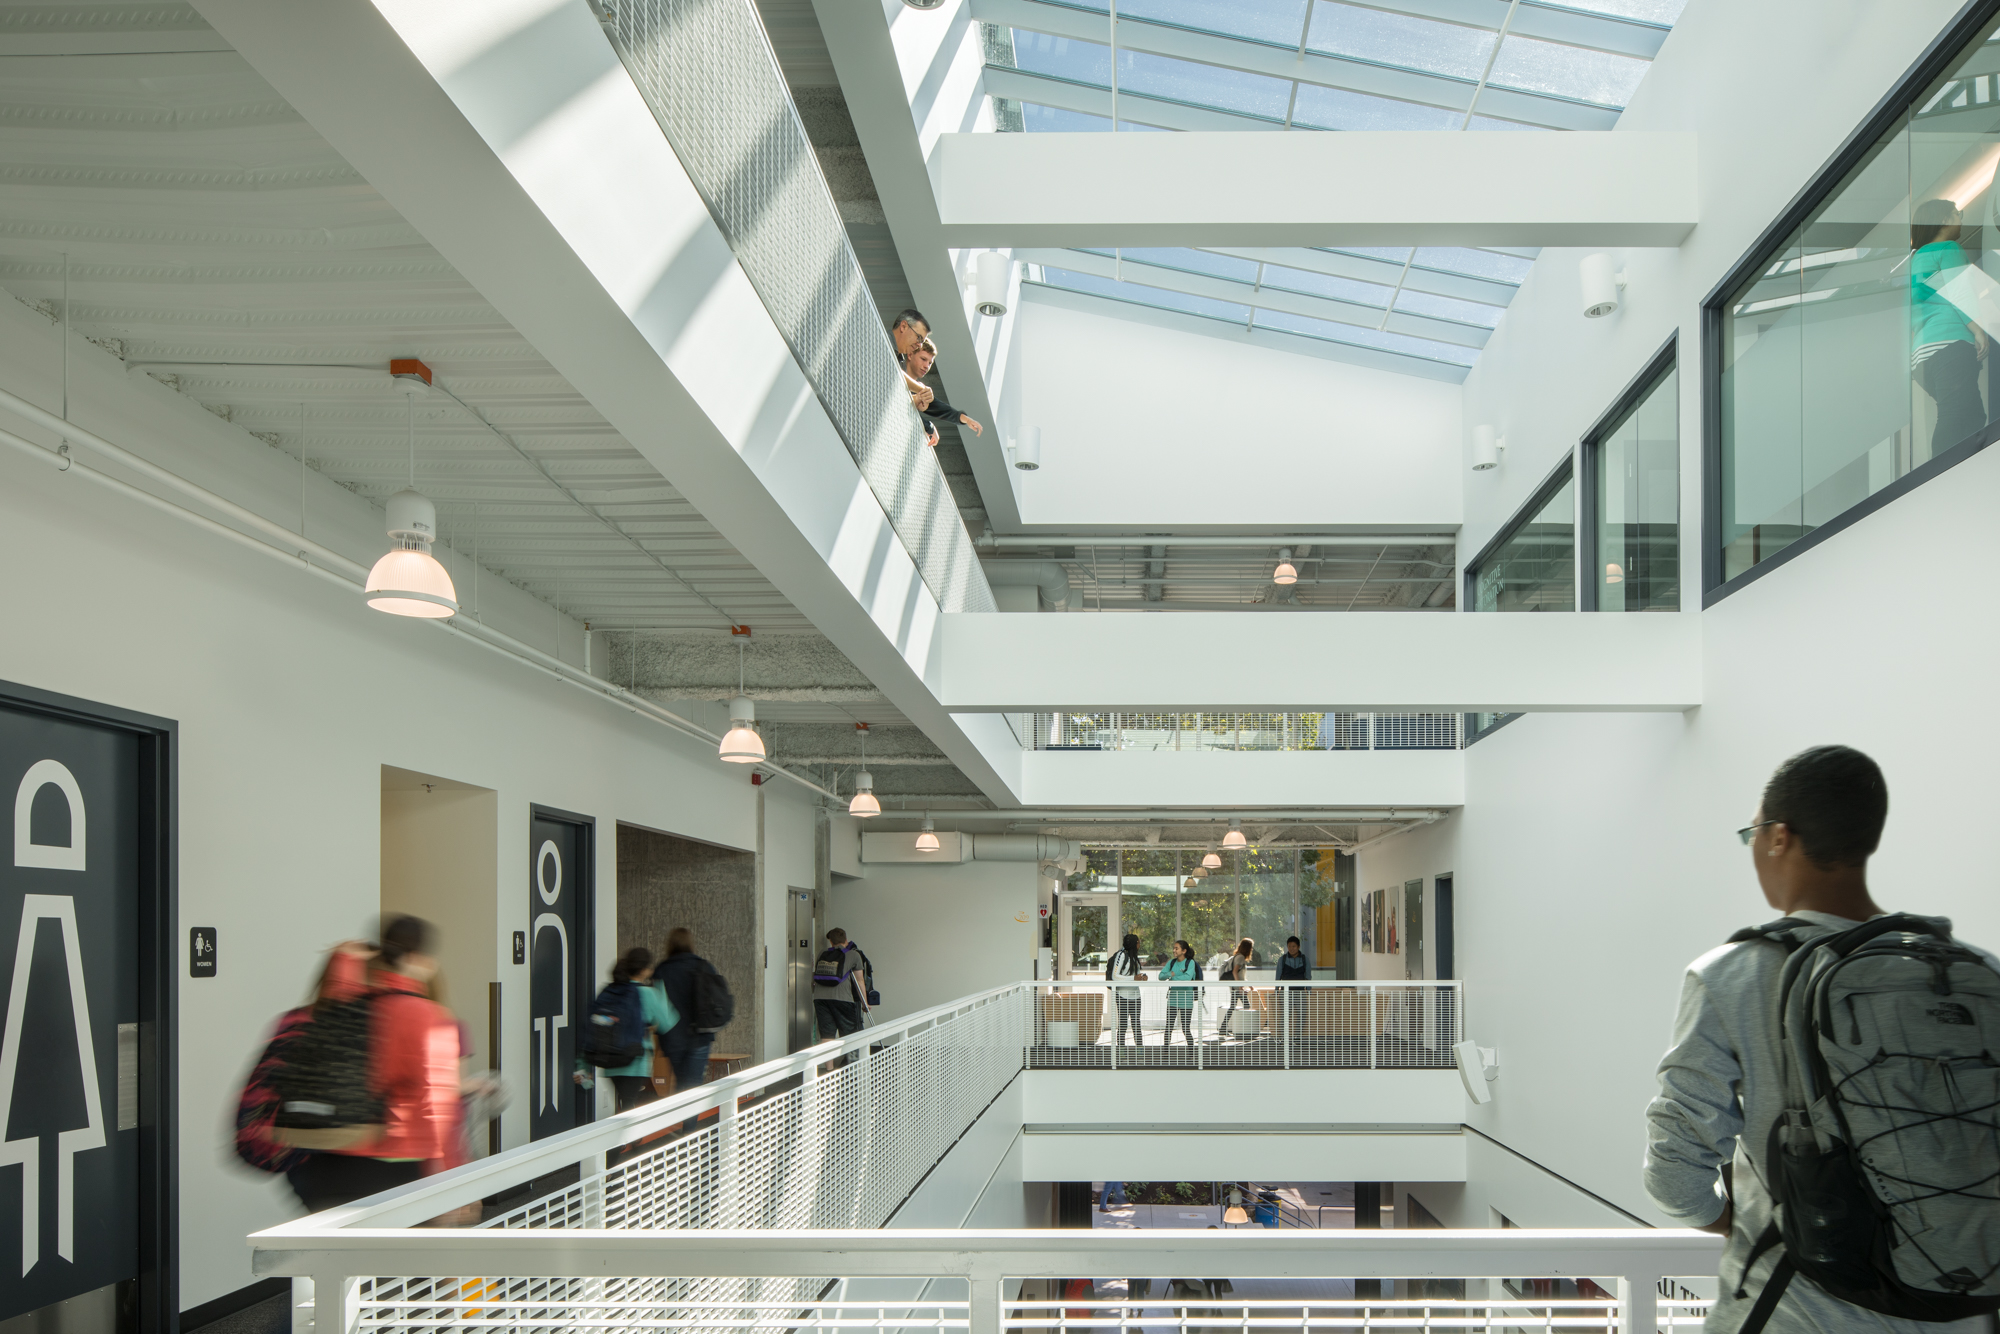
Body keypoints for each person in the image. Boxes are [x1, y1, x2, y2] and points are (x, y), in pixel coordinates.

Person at [1644, 745, 1999, 1334]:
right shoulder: (1972, 974)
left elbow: (1675, 1174)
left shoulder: (1735, 973)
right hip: (1958, 1312)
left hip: (1800, 1312)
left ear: (1778, 836)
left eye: (1752, 833)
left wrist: (1738, 1221)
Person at [287, 916, 463, 1213]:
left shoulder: (336, 1004)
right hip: (391, 1166)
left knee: (332, 1252)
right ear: (420, 959)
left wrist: (344, 958)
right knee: (395, 1256)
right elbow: (438, 1103)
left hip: (314, 1159)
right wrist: (451, 1179)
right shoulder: (424, 1015)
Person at [1910, 199, 1989, 458]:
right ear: (1944, 221)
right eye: (1958, 213)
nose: (1961, 218)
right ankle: (1941, 473)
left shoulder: (1915, 261)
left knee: (1972, 414)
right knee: (1956, 414)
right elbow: (1960, 290)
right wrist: (1978, 329)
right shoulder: (1948, 248)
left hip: (1921, 356)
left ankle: (1963, 468)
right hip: (1949, 343)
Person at [576, 946, 679, 1113]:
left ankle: (626, 1135)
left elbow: (591, 1028)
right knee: (628, 1108)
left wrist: (582, 1065)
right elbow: (667, 1022)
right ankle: (627, 1138)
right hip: (635, 1063)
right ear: (645, 970)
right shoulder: (647, 993)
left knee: (624, 1105)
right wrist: (660, 987)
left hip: (609, 1064)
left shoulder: (609, 992)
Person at [652, 927, 723, 1107]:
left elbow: (657, 1007)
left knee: (681, 1080)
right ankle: (689, 1130)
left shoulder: (661, 970)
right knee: (692, 1085)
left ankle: (681, 1122)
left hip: (672, 1038)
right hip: (699, 1036)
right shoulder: (704, 966)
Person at [905, 338, 985, 441]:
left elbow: (943, 410)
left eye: (930, 363)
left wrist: (968, 420)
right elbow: (899, 406)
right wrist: (928, 426)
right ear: (910, 355)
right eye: (923, 359)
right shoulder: (893, 371)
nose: (926, 366)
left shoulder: (922, 390)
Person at [812, 928, 873, 1039]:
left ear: (831, 941)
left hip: (820, 999)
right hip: (843, 999)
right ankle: (850, 1057)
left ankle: (829, 1057)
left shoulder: (822, 953)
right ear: (846, 940)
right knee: (849, 1036)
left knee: (827, 1036)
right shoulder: (854, 955)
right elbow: (859, 981)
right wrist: (865, 1003)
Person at [1104, 933, 1147, 1048]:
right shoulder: (1121, 955)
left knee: (1136, 1024)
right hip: (1123, 995)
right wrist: (1133, 978)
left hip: (1136, 995)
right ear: (1134, 944)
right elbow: (1115, 976)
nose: (1139, 944)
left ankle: (1140, 1051)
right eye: (1138, 942)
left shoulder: (1134, 956)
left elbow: (1134, 975)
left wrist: (1141, 977)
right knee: (1123, 1025)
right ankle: (1121, 1051)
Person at [1159, 940, 1201, 1047]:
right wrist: (1170, 973)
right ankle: (1165, 1052)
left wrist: (1172, 977)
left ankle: (1192, 1053)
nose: (1174, 950)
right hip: (1173, 999)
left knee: (1186, 1028)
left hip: (1186, 1000)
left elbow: (1187, 978)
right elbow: (1161, 976)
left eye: (1176, 948)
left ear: (1184, 951)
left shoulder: (1190, 963)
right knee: (1169, 1027)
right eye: (1174, 948)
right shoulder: (1171, 962)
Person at [1218, 938, 1253, 1039]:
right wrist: (1240, 987)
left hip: (1235, 987)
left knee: (1232, 1006)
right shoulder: (1240, 958)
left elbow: (1241, 975)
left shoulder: (1237, 956)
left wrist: (1249, 985)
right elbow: (1234, 972)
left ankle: (1223, 1029)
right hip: (1237, 988)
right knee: (1246, 1006)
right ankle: (1243, 1030)